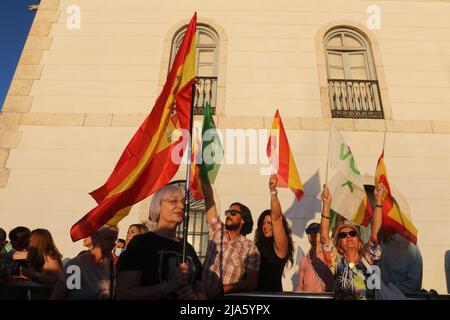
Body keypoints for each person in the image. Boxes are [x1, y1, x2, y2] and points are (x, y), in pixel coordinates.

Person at [116, 184, 204, 300]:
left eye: (184, 202)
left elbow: (201, 290)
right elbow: (124, 294)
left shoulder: (188, 248)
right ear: (158, 206)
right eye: (173, 201)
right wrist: (169, 286)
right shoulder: (141, 243)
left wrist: (195, 297)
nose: (181, 206)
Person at [320, 183, 384, 300]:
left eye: (353, 233)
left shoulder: (369, 259)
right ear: (338, 246)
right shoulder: (337, 263)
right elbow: (324, 238)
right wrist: (326, 204)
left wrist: (378, 201)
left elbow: (374, 234)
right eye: (343, 235)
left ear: (360, 243)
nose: (348, 236)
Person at [201, 179, 260, 297]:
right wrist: (202, 172)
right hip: (202, 297)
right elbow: (209, 198)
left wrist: (222, 290)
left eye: (233, 213)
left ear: (243, 220)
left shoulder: (250, 248)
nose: (228, 215)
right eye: (227, 212)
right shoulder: (217, 229)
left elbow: (251, 283)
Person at [51, 225, 119, 300]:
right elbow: (58, 295)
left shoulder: (111, 266)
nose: (113, 243)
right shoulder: (76, 266)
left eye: (115, 239)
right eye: (108, 238)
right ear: (95, 238)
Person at [254, 174, 294, 292]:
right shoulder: (257, 246)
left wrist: (273, 192)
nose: (265, 226)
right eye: (263, 223)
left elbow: (276, 218)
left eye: (269, 223)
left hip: (272, 295)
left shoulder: (280, 247)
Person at [379, 228, 423, 294]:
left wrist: (388, 291)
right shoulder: (385, 242)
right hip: (388, 293)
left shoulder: (402, 244)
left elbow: (413, 284)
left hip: (402, 295)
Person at [296, 223, 334, 293]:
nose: (311, 234)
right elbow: (299, 287)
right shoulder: (304, 261)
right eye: (308, 231)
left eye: (315, 231)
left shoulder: (330, 256)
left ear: (321, 234)